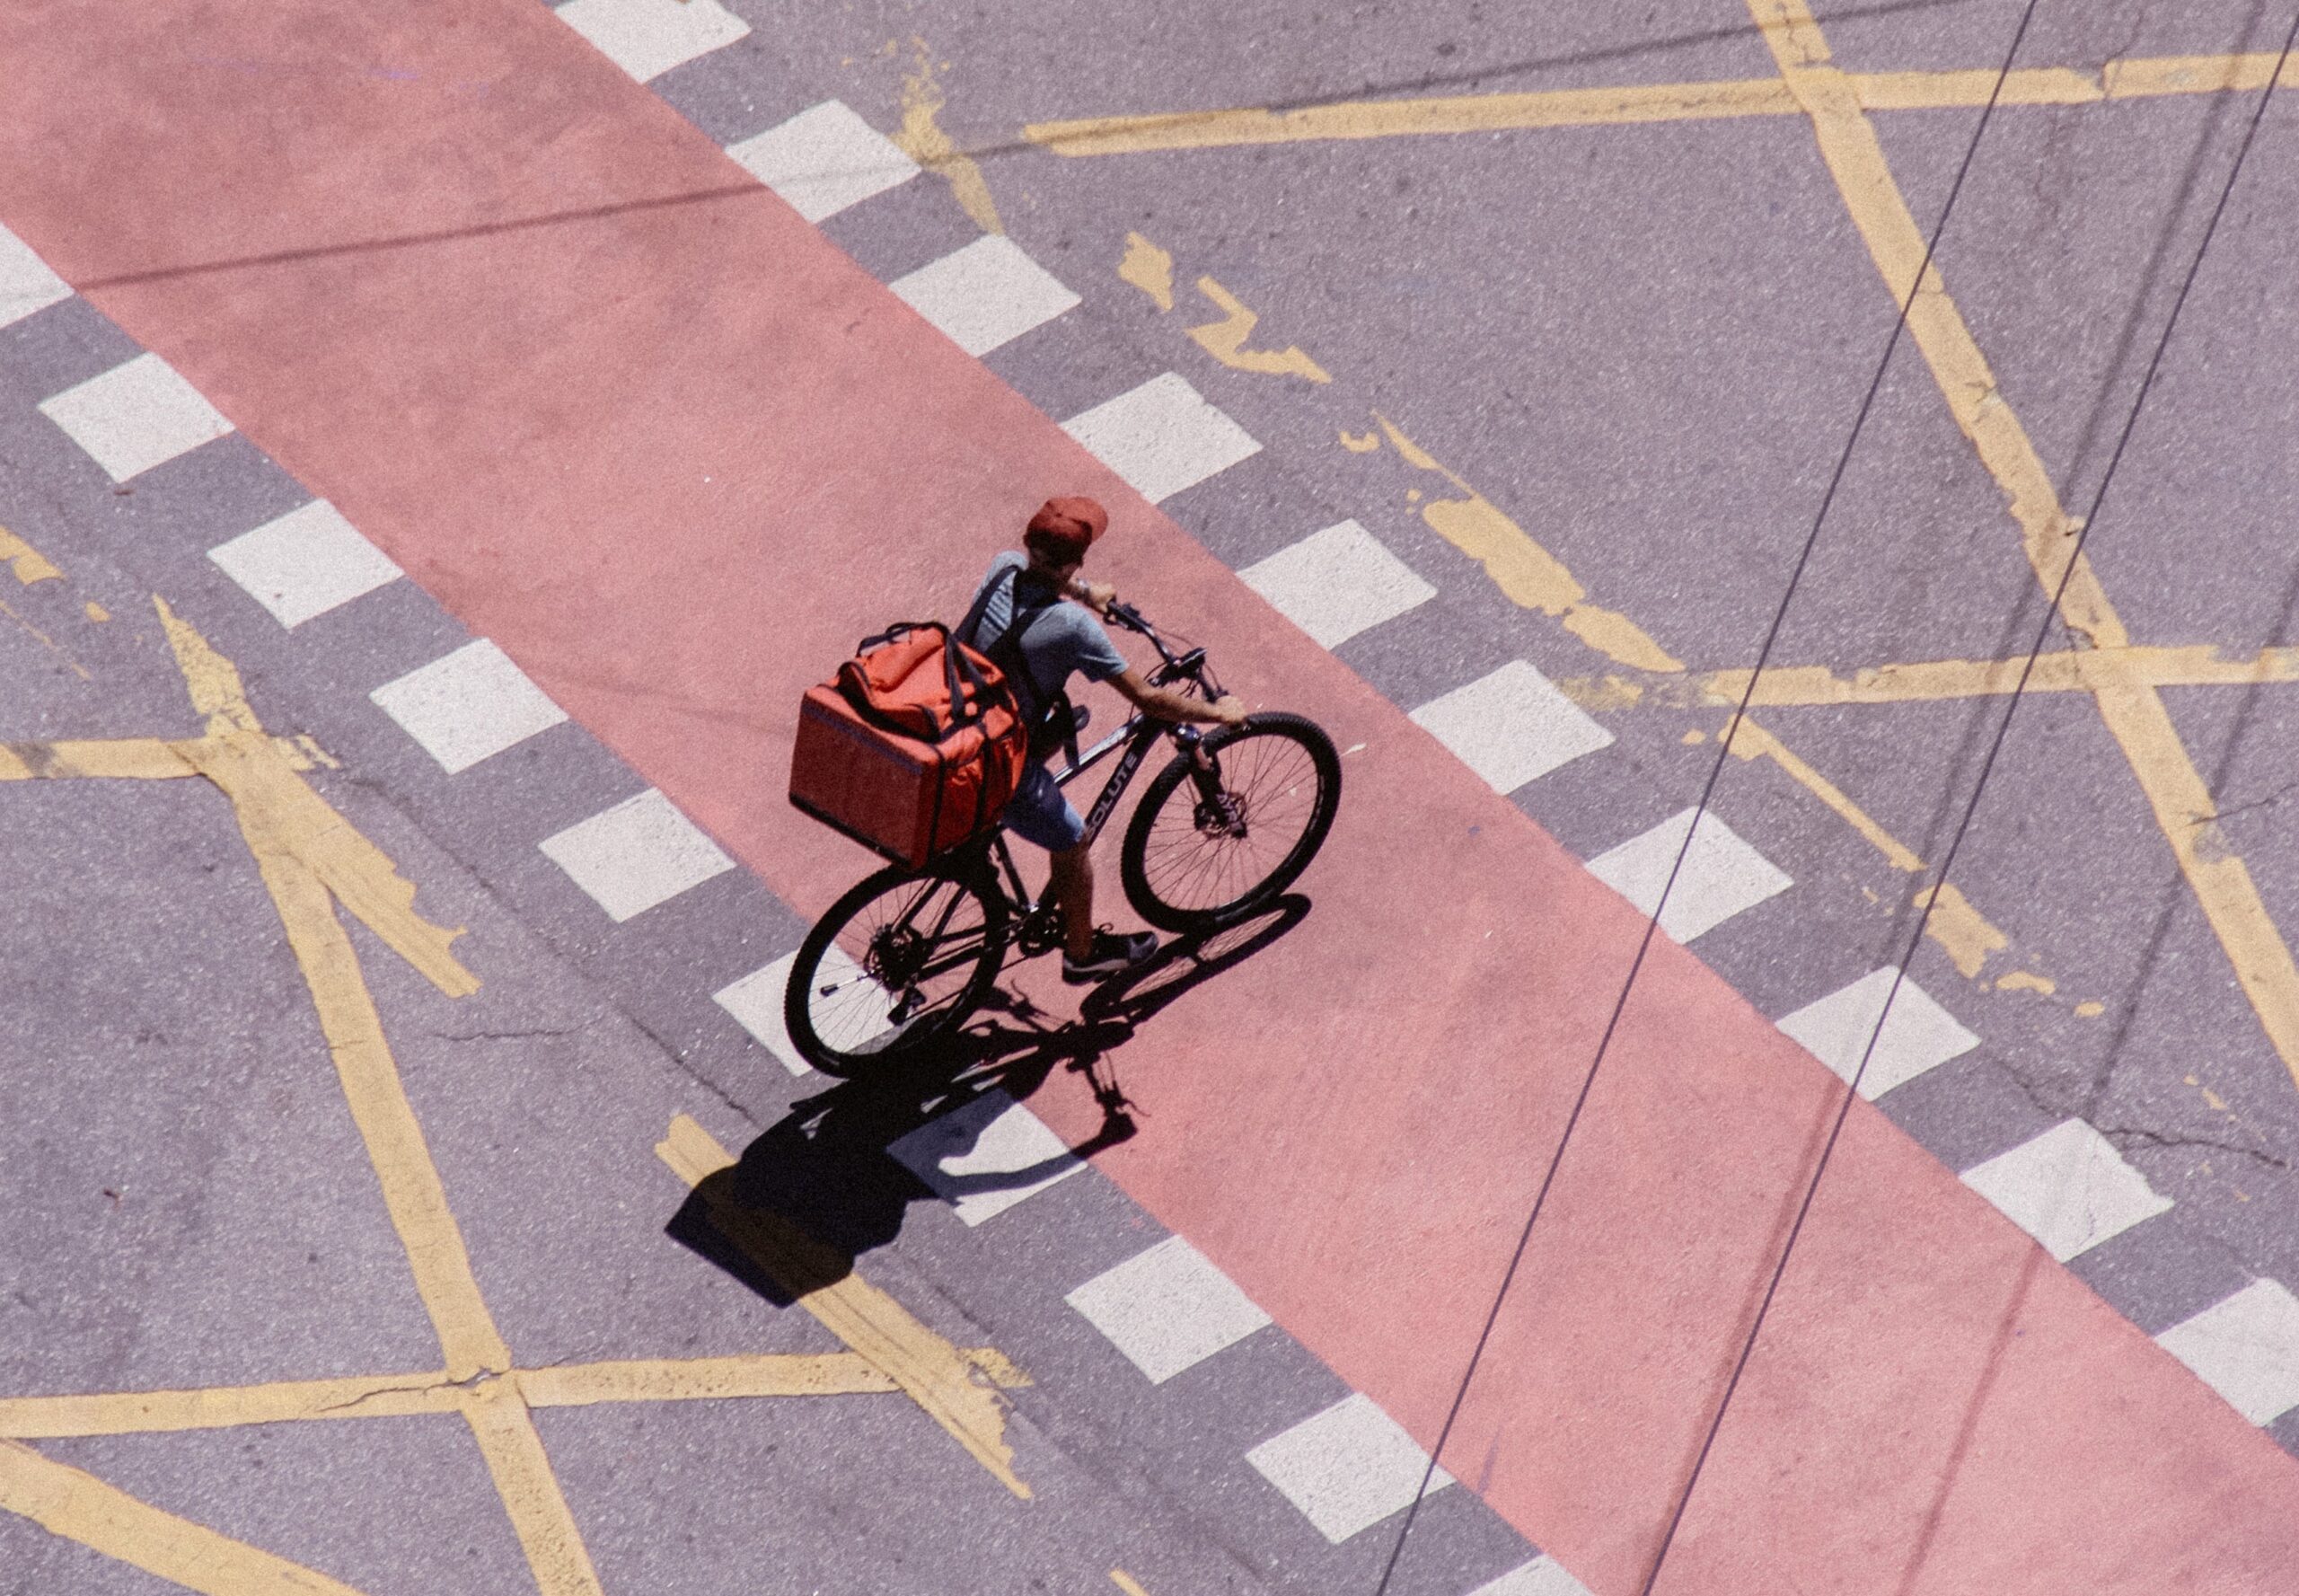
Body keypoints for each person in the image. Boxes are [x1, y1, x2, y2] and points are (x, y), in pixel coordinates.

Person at [965, 496, 1246, 983]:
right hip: (995, 759)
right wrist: (1217, 712)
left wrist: (1084, 591)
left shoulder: (1003, 567)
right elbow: (1149, 699)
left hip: (955, 724)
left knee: (1065, 720)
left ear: (1028, 543)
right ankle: (1082, 953)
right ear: (1077, 560)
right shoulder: (1072, 628)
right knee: (1072, 838)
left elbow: (1043, 577)